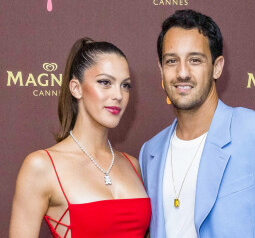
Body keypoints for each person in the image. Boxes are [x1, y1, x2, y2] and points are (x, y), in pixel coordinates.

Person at [139, 9, 255, 238]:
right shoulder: (150, 152)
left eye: (195, 60)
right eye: (172, 61)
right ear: (161, 69)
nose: (182, 72)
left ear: (217, 66)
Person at [10, 38, 151, 238]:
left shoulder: (132, 165)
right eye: (105, 82)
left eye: (125, 85)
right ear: (76, 88)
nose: (118, 95)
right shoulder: (41, 166)